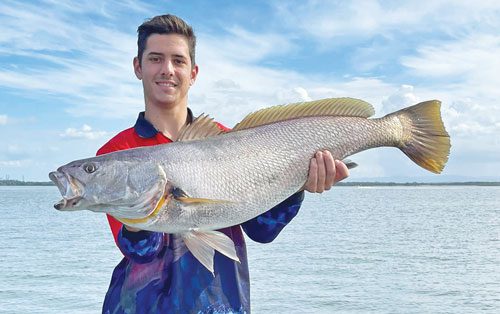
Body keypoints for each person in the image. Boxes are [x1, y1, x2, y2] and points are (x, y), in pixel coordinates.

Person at [97, 14, 348, 314]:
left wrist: (297, 185)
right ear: (138, 67)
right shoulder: (116, 154)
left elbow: (262, 230)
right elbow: (142, 252)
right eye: (155, 58)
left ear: (193, 72)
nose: (167, 70)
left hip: (223, 304)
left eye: (178, 60)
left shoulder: (230, 141)